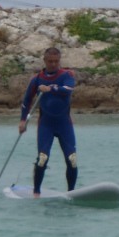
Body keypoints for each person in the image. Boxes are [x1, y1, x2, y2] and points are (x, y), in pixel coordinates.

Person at [19, 47, 77, 197]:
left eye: (56, 61)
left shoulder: (67, 75)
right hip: (46, 125)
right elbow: (26, 102)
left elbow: (68, 88)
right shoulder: (36, 79)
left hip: (64, 124)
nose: (53, 64)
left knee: (72, 160)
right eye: (50, 61)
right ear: (44, 61)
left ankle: (71, 193)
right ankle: (36, 192)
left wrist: (50, 88)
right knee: (42, 159)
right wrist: (22, 121)